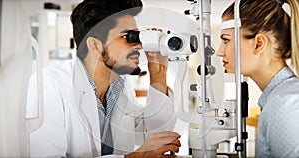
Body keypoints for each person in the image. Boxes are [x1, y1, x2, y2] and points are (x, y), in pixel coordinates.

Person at [26, 0, 181, 157]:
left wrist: (158, 71)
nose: (139, 45)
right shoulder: (49, 85)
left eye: (138, 36)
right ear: (94, 45)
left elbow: (157, 135)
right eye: (129, 36)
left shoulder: (119, 88)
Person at [217, 0, 299, 157]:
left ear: (259, 44)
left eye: (226, 40)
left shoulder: (285, 105)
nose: (220, 51)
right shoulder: (278, 99)